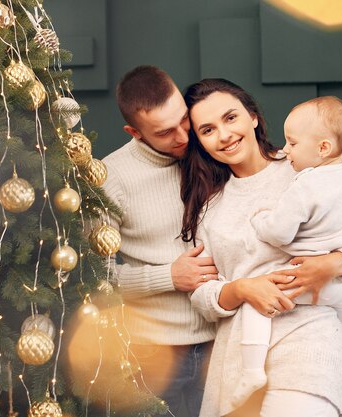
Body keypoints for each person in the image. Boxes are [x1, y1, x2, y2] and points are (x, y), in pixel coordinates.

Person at [180, 79, 342, 417]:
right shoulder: (210, 206)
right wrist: (241, 289)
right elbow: (202, 296)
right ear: (200, 142)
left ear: (252, 116)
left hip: (311, 345)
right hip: (239, 359)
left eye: (231, 118)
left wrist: (334, 264)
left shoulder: (309, 166)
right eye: (208, 129)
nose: (224, 134)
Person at [232, 96, 342, 410]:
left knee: (256, 303)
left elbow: (278, 233)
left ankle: (250, 373)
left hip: (303, 277)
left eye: (292, 142)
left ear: (323, 148)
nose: (285, 150)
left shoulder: (305, 185)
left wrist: (260, 220)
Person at [101, 65, 220, 416]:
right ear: (134, 132)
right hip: (151, 353)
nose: (184, 135)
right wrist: (169, 276)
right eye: (165, 132)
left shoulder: (212, 149)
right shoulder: (111, 177)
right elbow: (93, 277)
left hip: (220, 343)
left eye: (184, 119)